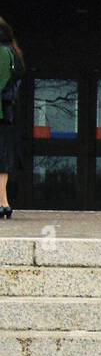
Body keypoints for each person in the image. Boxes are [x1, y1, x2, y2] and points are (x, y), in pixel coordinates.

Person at [0, 17, 27, 219]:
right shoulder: (13, 53)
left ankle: (3, 202)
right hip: (5, 113)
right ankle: (3, 203)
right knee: (3, 157)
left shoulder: (3, 53)